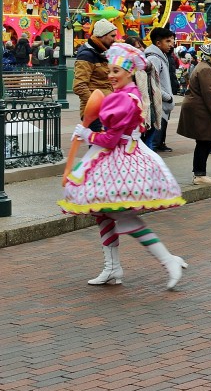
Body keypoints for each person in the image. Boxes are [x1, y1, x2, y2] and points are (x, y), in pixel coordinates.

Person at [59, 42, 187, 290]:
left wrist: (88, 136)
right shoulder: (120, 96)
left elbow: (111, 139)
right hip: (112, 159)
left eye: (116, 71)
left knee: (124, 217)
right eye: (110, 71)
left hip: (124, 160)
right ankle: (112, 267)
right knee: (101, 212)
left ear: (128, 72)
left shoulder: (126, 100)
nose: (111, 76)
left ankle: (169, 260)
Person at [176, 41, 211, 186]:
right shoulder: (205, 69)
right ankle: (199, 175)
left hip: (201, 110)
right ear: (208, 54)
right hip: (201, 111)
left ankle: (200, 174)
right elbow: (209, 94)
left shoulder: (206, 67)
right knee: (204, 141)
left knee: (204, 141)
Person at [73, 19, 118, 126]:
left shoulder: (102, 52)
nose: (114, 39)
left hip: (106, 109)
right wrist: (97, 105)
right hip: (95, 113)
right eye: (112, 36)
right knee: (100, 142)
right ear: (102, 35)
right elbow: (79, 86)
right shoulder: (86, 55)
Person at [143, 27, 176, 152]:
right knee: (152, 141)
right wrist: (167, 97)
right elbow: (151, 83)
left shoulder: (161, 56)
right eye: (167, 41)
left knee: (156, 138)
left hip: (162, 101)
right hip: (158, 102)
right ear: (158, 43)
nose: (171, 44)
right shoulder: (154, 58)